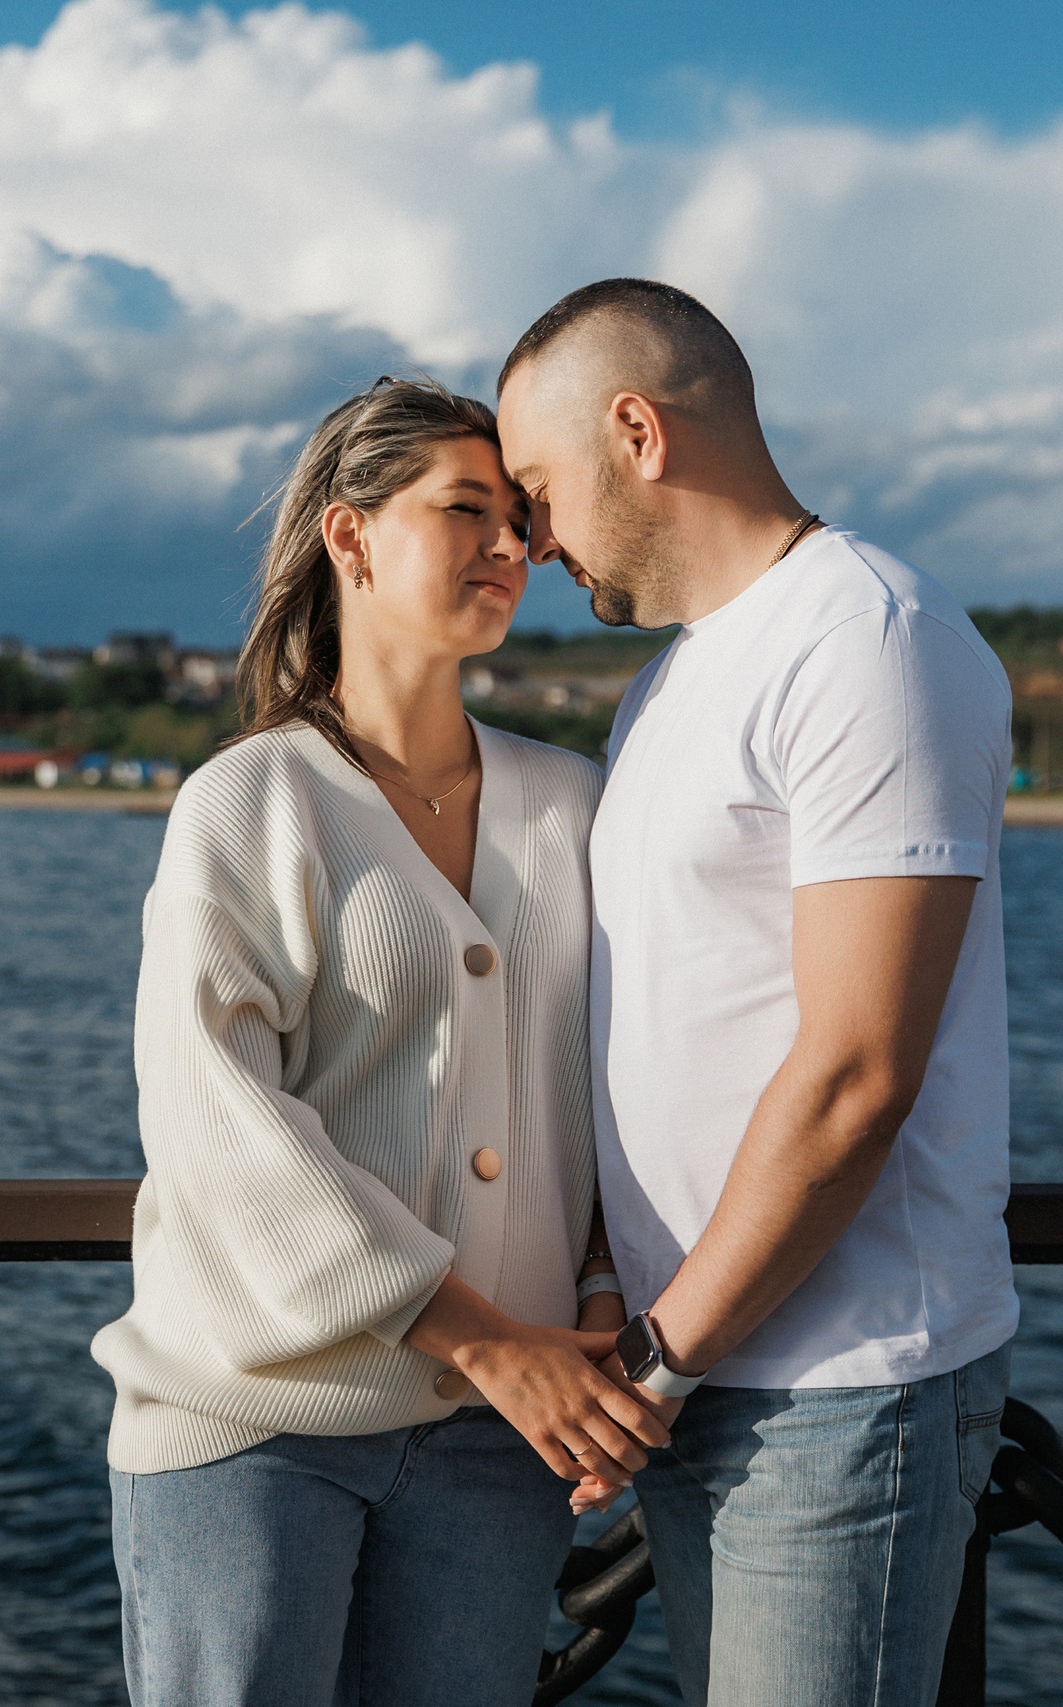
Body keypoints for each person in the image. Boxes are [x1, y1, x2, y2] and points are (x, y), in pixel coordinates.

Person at [91, 377, 655, 1707]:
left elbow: (620, 1082)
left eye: (518, 517)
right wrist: (483, 1338)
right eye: (466, 510)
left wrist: (597, 1289)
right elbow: (217, 1122)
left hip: (504, 1435)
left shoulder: (571, 804)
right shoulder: (251, 802)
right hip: (256, 1421)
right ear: (349, 536)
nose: (510, 545)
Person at [495, 280, 1018, 1706]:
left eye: (538, 489)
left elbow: (857, 1071)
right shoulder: (667, 685)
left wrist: (660, 1361)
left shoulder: (870, 641)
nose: (531, 539)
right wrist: (632, 1315)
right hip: (700, 1369)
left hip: (836, 1388)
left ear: (638, 433)